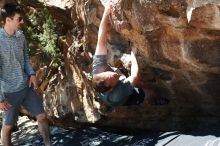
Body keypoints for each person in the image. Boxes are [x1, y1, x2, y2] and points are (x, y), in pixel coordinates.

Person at [0, 3, 51, 146]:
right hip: (8, 93)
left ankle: (48, 144)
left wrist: (32, 73)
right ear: (8, 20)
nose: (22, 22)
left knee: (41, 116)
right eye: (19, 18)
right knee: (8, 127)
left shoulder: (20, 36)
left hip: (25, 87)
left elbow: (25, 58)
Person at [92, 1, 145, 113]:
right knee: (144, 94)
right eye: (113, 78)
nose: (114, 74)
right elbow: (135, 76)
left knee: (116, 71)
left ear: (101, 72)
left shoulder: (98, 68)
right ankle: (153, 99)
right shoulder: (116, 94)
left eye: (109, 74)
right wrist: (133, 54)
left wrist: (106, 11)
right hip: (125, 99)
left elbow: (101, 41)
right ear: (111, 87)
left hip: (113, 86)